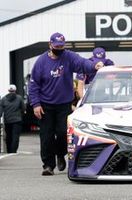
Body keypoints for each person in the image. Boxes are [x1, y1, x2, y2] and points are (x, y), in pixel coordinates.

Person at [29, 32, 104, 176]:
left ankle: (60, 153)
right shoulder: (41, 62)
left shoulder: (68, 57)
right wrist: (35, 104)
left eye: (62, 46)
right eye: (57, 46)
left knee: (64, 133)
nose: (59, 48)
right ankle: (48, 165)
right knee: (47, 136)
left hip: (64, 104)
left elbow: (82, 63)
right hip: (45, 105)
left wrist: (95, 65)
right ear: (50, 45)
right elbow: (34, 85)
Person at [0, 84, 25, 153]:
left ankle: (9, 151)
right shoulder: (19, 98)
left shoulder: (3, 99)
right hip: (17, 121)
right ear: (15, 90)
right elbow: (23, 108)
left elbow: (0, 111)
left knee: (8, 137)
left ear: (8, 90)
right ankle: (13, 151)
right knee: (15, 137)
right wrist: (21, 115)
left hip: (7, 121)